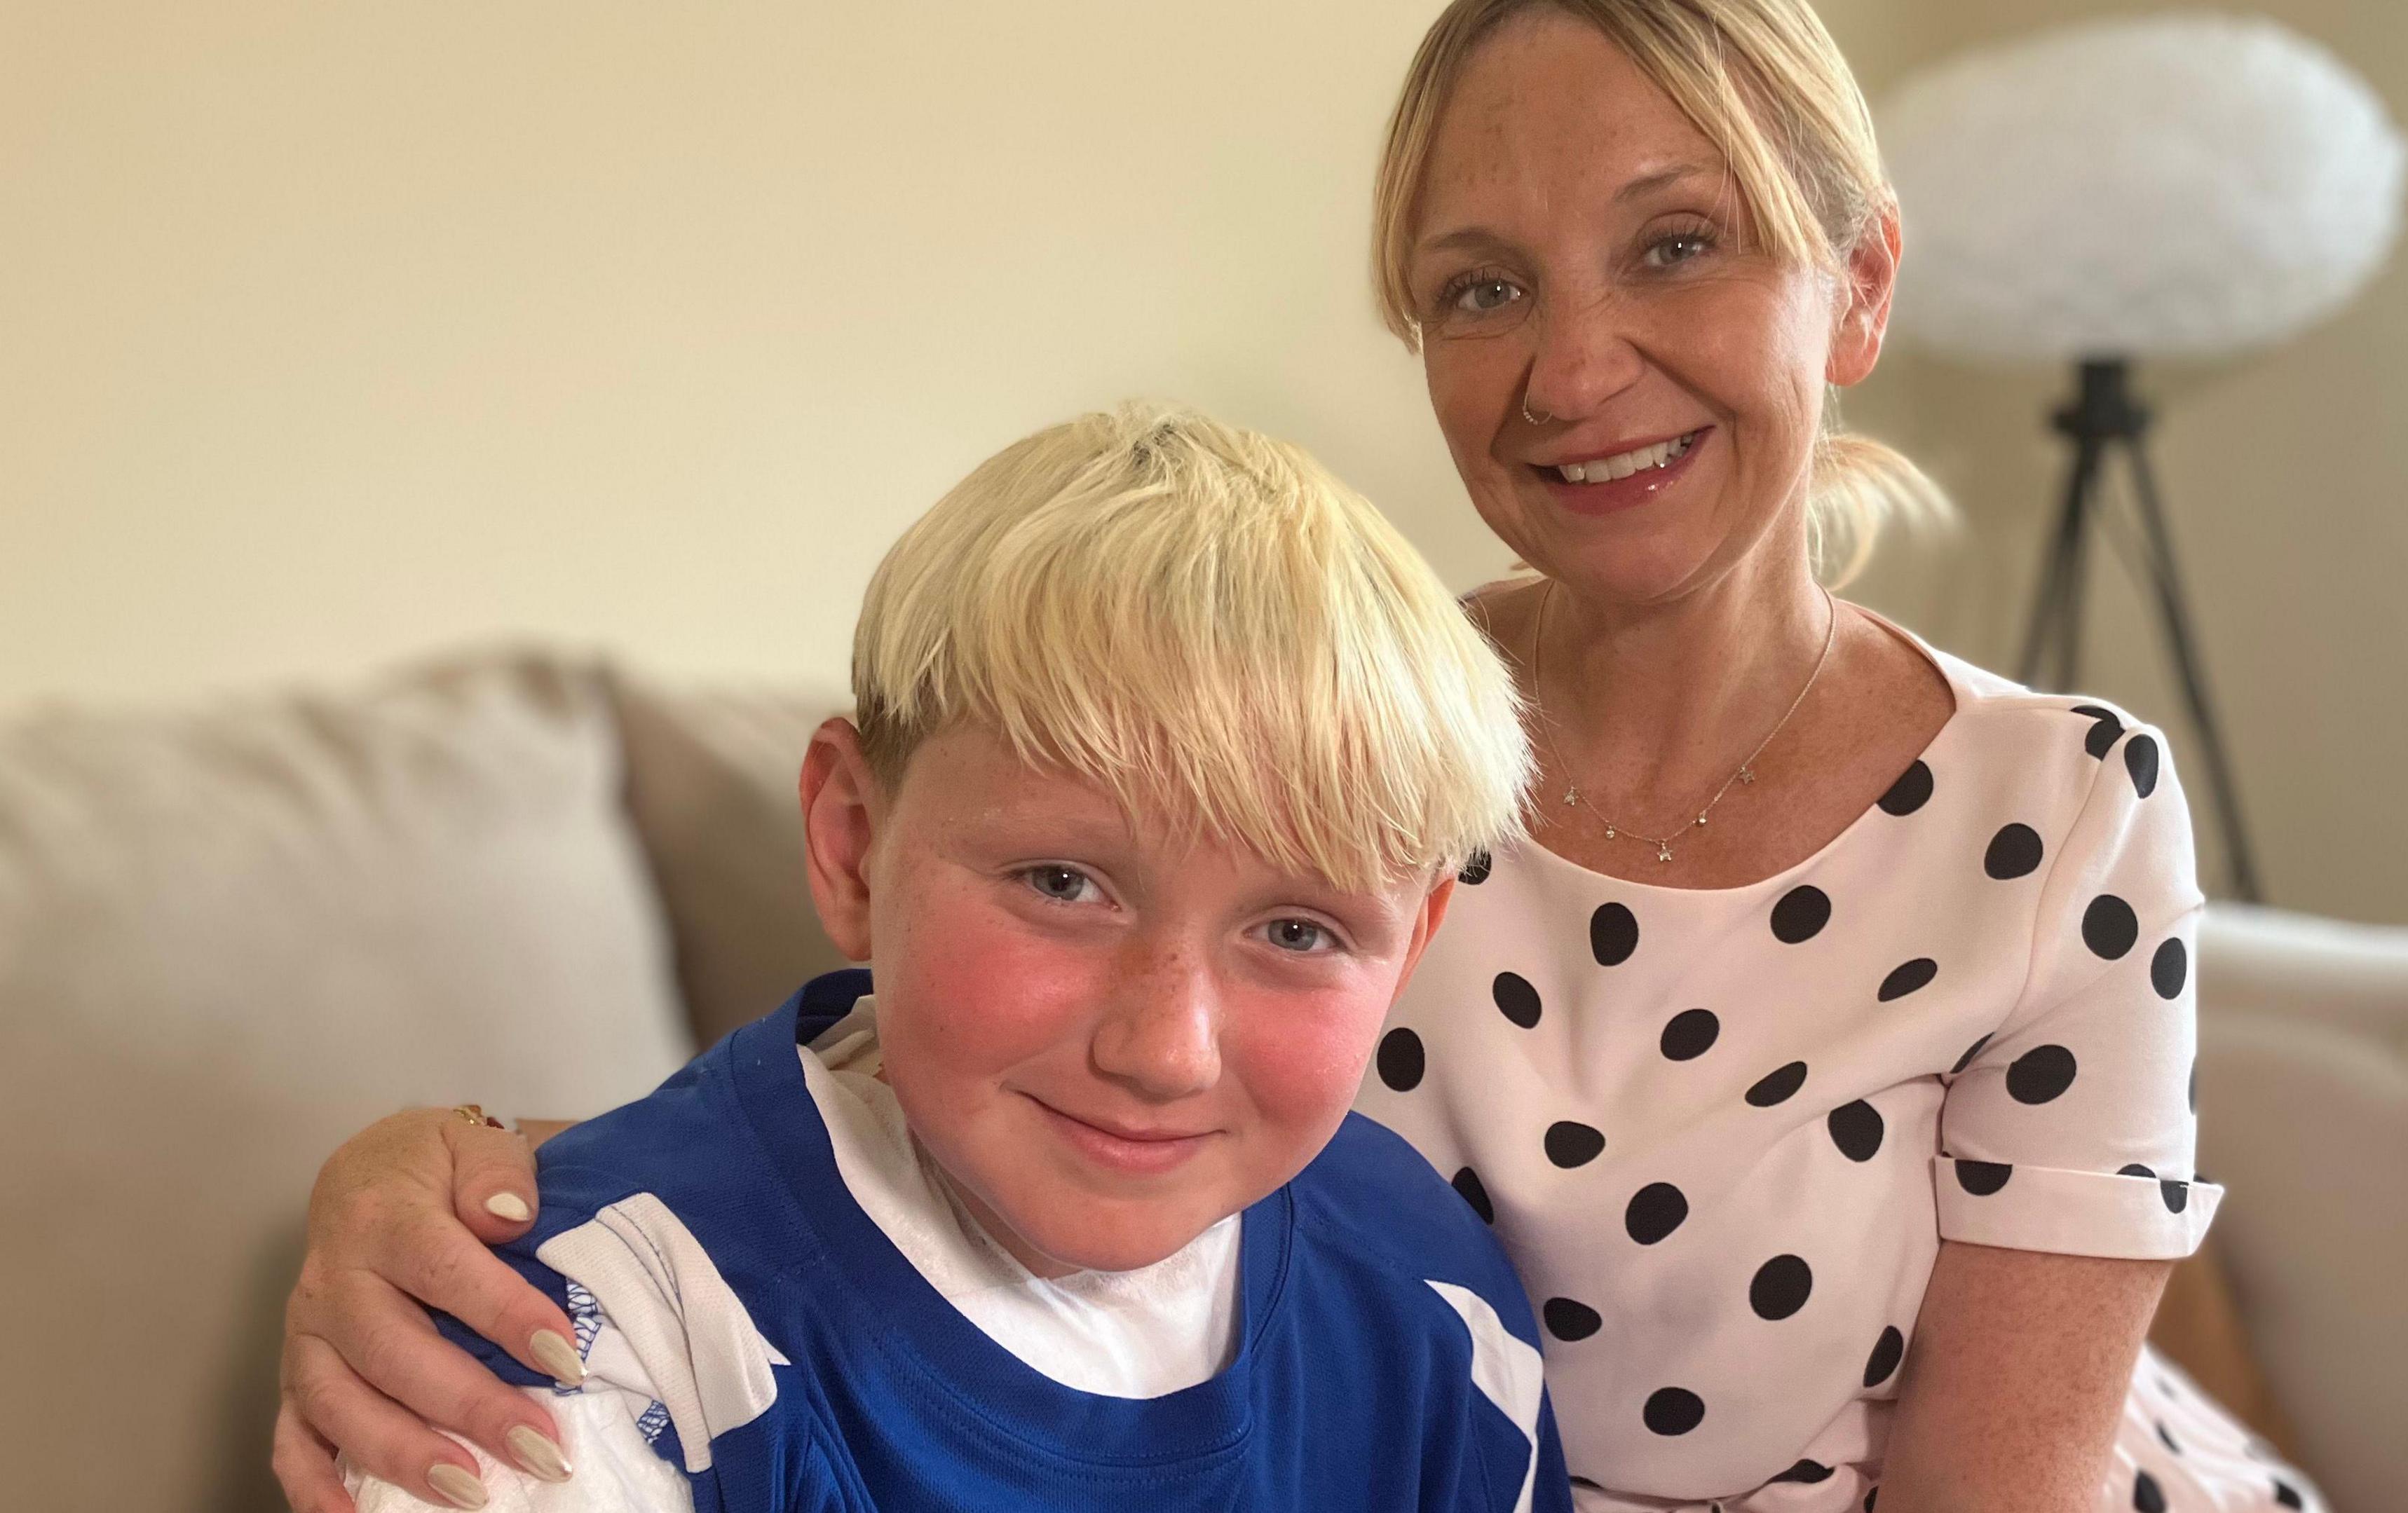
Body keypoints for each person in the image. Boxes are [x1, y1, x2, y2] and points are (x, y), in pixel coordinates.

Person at [276, 2, 2329, 1510]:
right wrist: (428, 1176)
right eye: (1482, 289)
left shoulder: (2057, 809)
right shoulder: (1310, 742)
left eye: (1678, 244)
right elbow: (904, 1090)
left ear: (1857, 283)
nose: (1578, 366)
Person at [320, 404, 1570, 1512]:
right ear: (854, 846)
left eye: (1297, 933)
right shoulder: (593, 1336)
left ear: (1409, 950)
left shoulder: (1430, 1300)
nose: (1165, 1051)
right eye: (1063, 884)